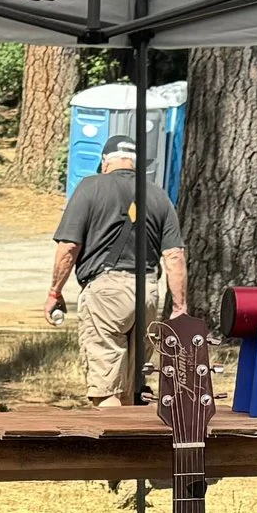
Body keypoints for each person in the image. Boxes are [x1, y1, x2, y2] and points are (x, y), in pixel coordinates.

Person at [47, 134, 188, 407]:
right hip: (147, 292)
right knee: (132, 389)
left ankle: (114, 448)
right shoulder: (158, 195)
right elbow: (174, 256)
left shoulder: (89, 188)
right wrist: (180, 308)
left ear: (104, 161)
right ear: (136, 164)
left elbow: (68, 247)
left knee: (106, 388)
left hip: (106, 292)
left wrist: (55, 291)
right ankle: (136, 446)